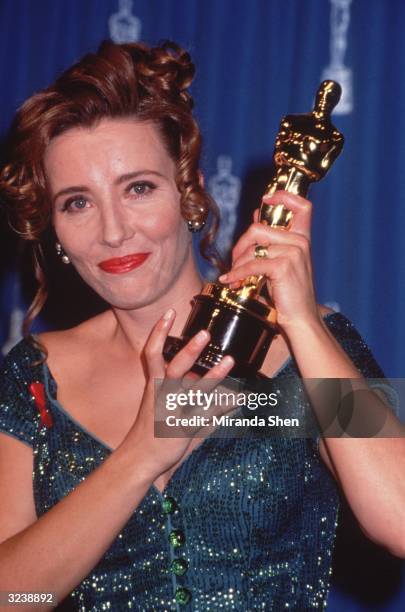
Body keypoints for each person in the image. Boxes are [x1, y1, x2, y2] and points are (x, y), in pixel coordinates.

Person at [0, 40, 404, 612]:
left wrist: (302, 325)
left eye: (138, 188)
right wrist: (141, 455)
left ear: (188, 193)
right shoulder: (34, 378)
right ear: (55, 231)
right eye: (77, 203)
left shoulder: (305, 349)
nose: (113, 232)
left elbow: (400, 520)